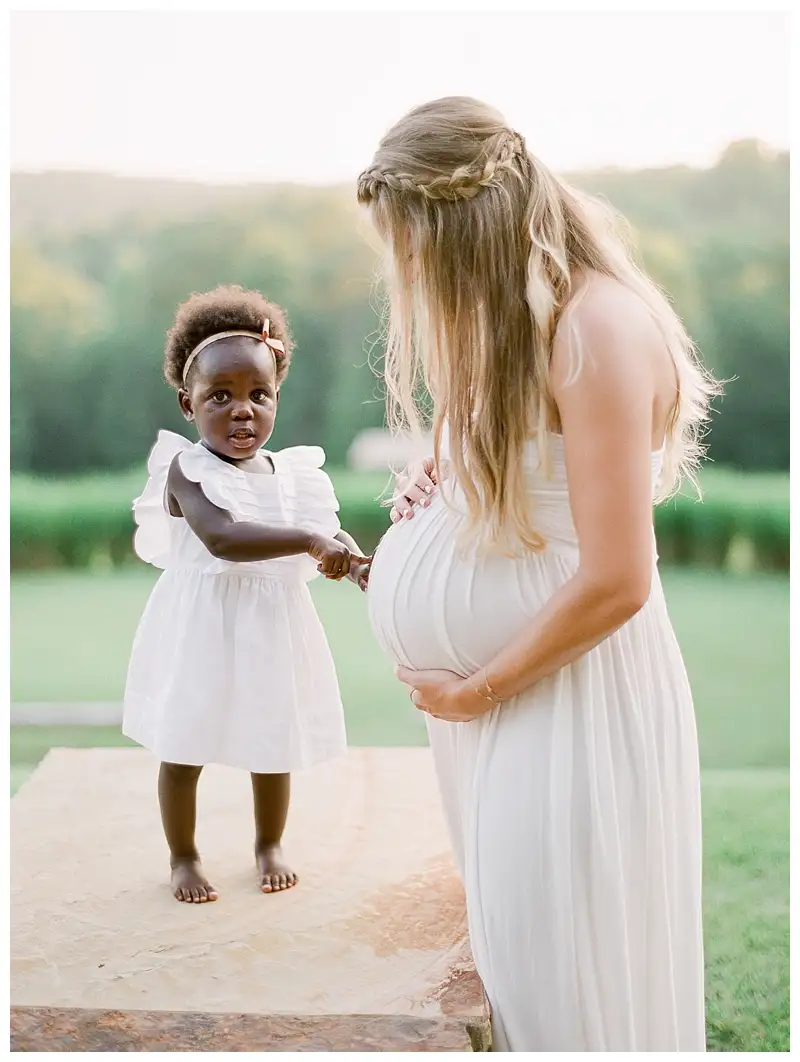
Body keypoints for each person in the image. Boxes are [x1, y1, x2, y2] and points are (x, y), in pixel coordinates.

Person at [360, 97, 720, 1051]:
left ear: (466, 227)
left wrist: (477, 691)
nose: (407, 271)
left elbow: (618, 579)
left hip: (567, 695)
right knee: (512, 965)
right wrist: (440, 480)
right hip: (495, 706)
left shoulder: (595, 328)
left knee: (554, 972)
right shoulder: (512, 319)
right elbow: (513, 472)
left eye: (414, 246)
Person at [123, 284, 370, 904]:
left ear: (277, 397)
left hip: (271, 625)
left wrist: (350, 555)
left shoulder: (292, 473)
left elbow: (325, 527)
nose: (242, 411)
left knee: (273, 733)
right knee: (185, 742)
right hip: (203, 624)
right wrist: (312, 541)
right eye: (220, 396)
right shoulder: (188, 469)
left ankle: (269, 843)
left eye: (259, 395)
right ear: (187, 403)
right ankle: (183, 854)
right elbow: (224, 538)